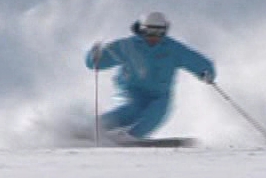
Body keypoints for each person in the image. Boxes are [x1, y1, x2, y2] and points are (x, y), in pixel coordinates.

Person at [85, 11, 216, 141]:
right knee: (131, 109)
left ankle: (131, 136)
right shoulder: (127, 46)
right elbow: (96, 63)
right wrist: (95, 57)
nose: (154, 37)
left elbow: (194, 60)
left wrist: (206, 72)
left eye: (160, 33)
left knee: (157, 113)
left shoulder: (173, 49)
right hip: (133, 90)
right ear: (142, 30)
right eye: (150, 32)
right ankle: (93, 128)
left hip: (160, 94)